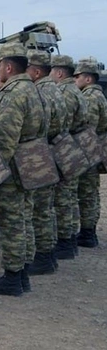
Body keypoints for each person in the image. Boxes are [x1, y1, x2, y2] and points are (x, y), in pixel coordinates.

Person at [0, 42, 44, 297]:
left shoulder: (13, 93)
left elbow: (5, 140)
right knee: (25, 219)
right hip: (31, 163)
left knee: (12, 222)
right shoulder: (34, 89)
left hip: (14, 168)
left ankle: (13, 276)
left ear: (8, 66)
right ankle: (23, 274)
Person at [25, 50, 67, 275]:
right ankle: (48, 254)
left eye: (28, 68)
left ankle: (42, 256)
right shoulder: (55, 90)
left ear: (37, 71)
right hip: (52, 151)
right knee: (46, 208)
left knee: (39, 209)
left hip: (40, 153)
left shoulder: (40, 92)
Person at [51, 55, 89, 259]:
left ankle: (65, 241)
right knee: (70, 195)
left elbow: (60, 122)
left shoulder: (65, 92)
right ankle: (70, 239)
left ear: (58, 72)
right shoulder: (75, 90)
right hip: (73, 146)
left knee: (63, 197)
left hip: (63, 146)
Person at [73, 58, 107, 248]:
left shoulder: (90, 98)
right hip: (95, 150)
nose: (75, 80)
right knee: (91, 193)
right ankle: (89, 231)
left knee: (86, 193)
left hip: (89, 151)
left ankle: (87, 233)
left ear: (88, 78)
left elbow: (88, 129)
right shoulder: (98, 96)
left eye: (78, 76)